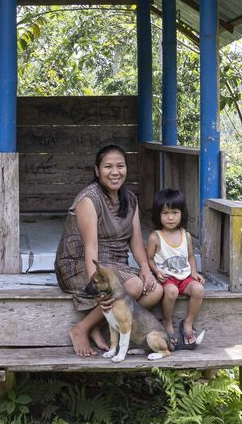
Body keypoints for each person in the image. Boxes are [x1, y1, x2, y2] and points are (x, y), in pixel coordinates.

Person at [55, 144, 163, 357]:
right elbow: (90, 247)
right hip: (79, 263)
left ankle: (103, 325)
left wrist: (145, 268)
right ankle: (81, 329)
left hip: (115, 263)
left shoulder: (130, 199)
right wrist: (94, 287)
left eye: (120, 166)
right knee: (132, 286)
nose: (115, 172)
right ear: (97, 170)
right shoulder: (89, 199)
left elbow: (136, 241)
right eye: (108, 167)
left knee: (155, 290)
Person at [145, 188, 205, 346]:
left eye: (174, 212)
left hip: (184, 276)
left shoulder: (186, 235)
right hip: (167, 278)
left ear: (182, 213)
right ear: (158, 215)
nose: (170, 217)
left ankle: (188, 323)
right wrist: (156, 271)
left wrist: (194, 272)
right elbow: (149, 259)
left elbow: (191, 256)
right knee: (171, 292)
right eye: (165, 213)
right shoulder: (155, 237)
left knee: (198, 289)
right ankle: (167, 321)